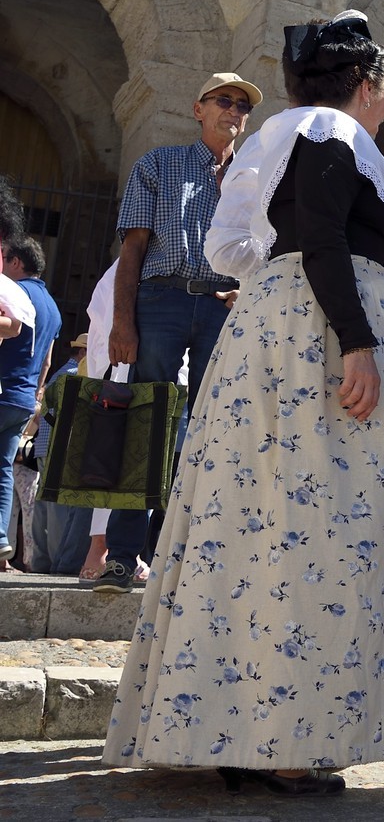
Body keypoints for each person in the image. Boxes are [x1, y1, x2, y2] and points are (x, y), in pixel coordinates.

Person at [103, 10, 384, 794]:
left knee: (252, 527)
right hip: (319, 339)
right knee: (314, 529)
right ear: (366, 83)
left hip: (275, 331)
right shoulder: (329, 136)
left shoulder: (289, 136)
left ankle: (224, 727)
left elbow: (247, 242)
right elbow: (321, 236)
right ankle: (284, 745)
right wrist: (355, 341)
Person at [95, 71, 262, 593]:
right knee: (147, 423)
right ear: (199, 108)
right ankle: (123, 557)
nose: (233, 111)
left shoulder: (254, 181)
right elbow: (132, 251)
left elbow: (265, 249)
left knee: (214, 428)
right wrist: (123, 321)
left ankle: (192, 559)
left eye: (242, 105)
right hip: (161, 300)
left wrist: (247, 290)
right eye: (224, 101)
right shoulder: (158, 165)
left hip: (221, 307)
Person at [1, 237, 62, 573]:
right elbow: (48, 361)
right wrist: (36, 393)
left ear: (16, 263)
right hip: (24, 401)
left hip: (2, 388)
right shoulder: (52, 305)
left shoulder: (13, 293)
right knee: (2, 473)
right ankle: (0, 549)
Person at [28, 333, 89, 575]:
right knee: (58, 509)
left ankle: (41, 562)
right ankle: (56, 563)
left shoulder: (60, 373)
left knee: (43, 507)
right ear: (83, 353)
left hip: (45, 446)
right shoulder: (74, 375)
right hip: (60, 448)